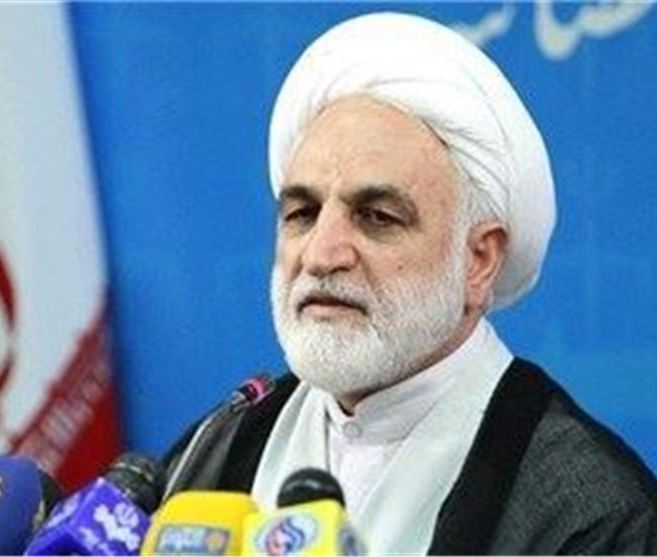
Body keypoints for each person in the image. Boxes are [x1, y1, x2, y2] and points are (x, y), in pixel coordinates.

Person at [164, 12, 657, 554]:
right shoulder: (222, 441)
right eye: (302, 214)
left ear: (478, 260)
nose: (322, 255)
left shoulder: (589, 511)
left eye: (377, 217)